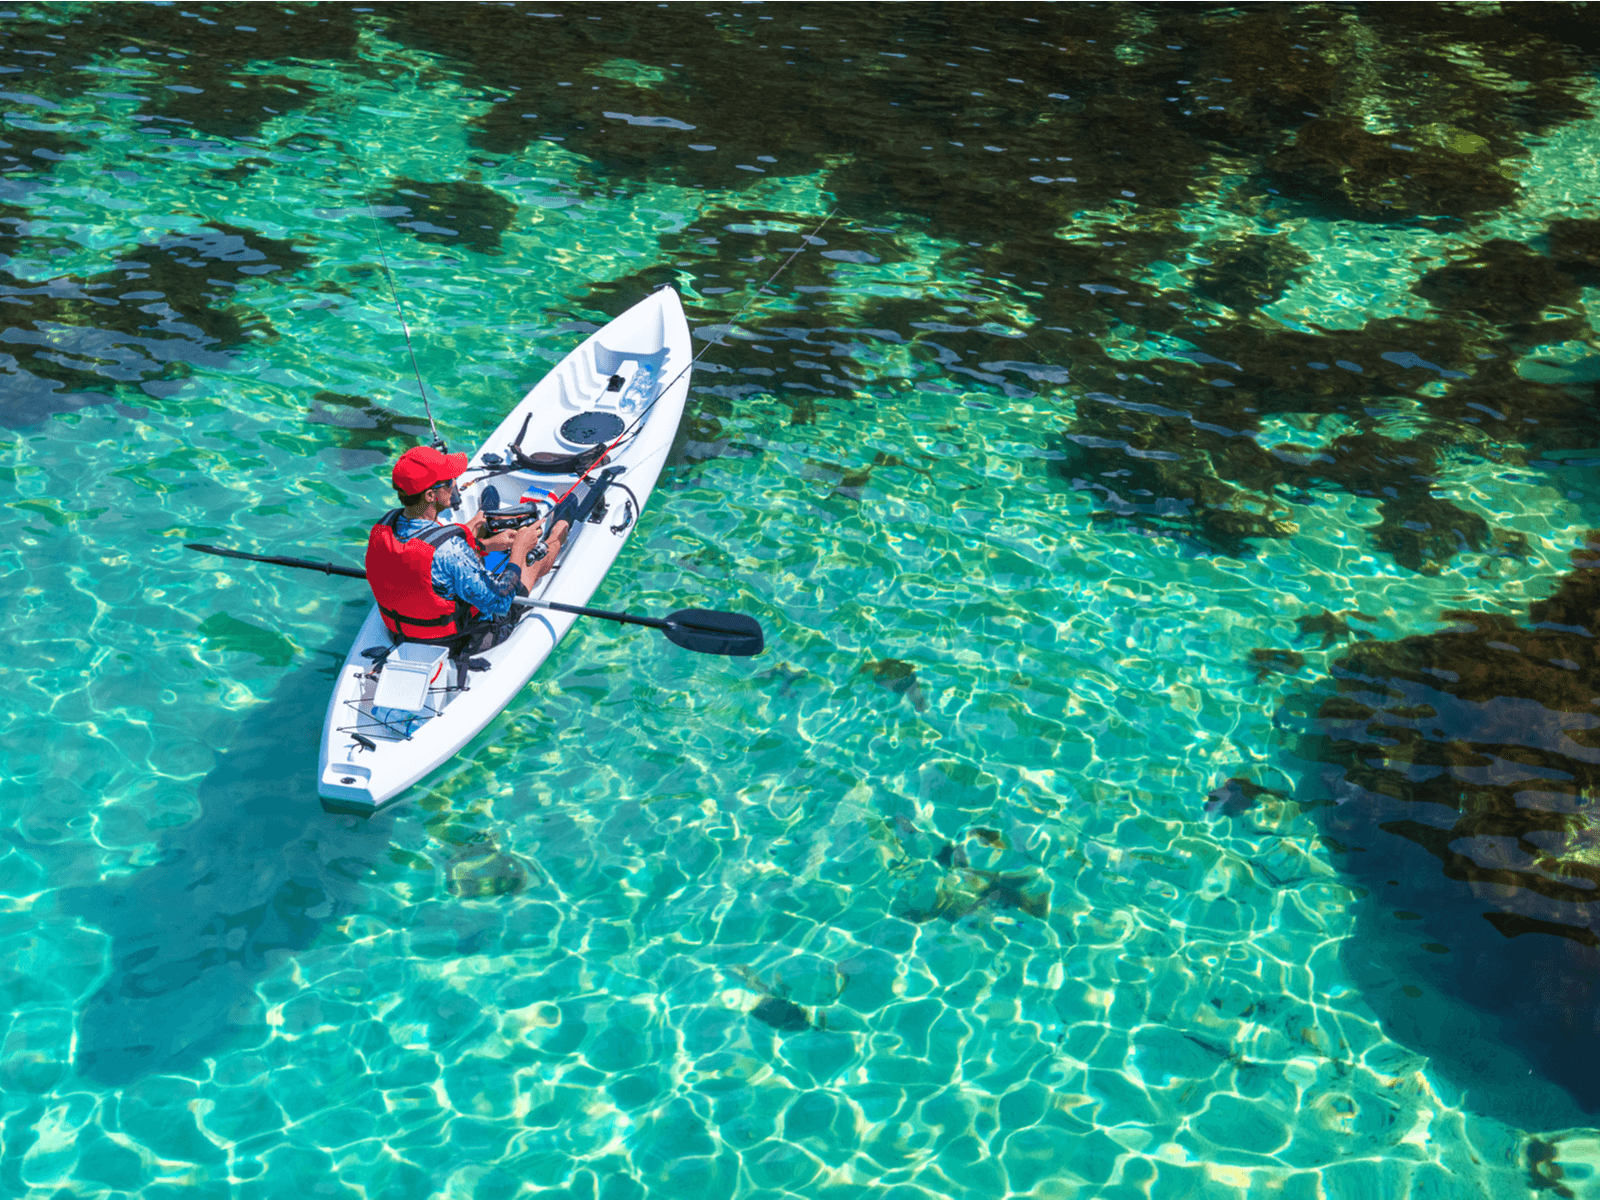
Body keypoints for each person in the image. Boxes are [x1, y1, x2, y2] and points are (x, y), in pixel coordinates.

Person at [366, 444, 570, 652]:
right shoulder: (450, 549)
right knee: (532, 563)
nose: (455, 483)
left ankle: (493, 528)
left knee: (473, 545)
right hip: (459, 639)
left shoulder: (384, 526)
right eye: (448, 482)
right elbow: (499, 601)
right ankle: (559, 534)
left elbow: (422, 564)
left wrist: (485, 545)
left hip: (400, 632)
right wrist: (519, 549)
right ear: (429, 496)